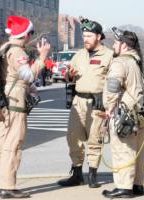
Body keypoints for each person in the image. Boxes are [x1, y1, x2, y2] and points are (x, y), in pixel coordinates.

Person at [0, 15, 50, 198]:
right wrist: (42, 58)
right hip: (14, 100)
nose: (31, 37)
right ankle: (7, 186)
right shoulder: (17, 52)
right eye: (30, 33)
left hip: (2, 99)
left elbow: (12, 74)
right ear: (26, 34)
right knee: (14, 142)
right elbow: (28, 75)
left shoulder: (3, 48)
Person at [57, 18, 113, 188]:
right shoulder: (79, 55)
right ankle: (77, 174)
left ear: (98, 36)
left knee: (95, 139)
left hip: (97, 102)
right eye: (84, 36)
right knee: (73, 138)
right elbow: (68, 77)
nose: (85, 39)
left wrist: (110, 104)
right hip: (78, 101)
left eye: (89, 36)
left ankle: (93, 174)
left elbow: (114, 82)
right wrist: (70, 75)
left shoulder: (109, 55)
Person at [102, 28, 144, 198]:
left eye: (115, 42)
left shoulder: (120, 62)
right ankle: (137, 185)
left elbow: (113, 86)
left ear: (124, 45)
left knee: (123, 150)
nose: (113, 45)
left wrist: (109, 107)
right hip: (140, 114)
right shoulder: (137, 61)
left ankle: (124, 187)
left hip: (125, 115)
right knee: (138, 151)